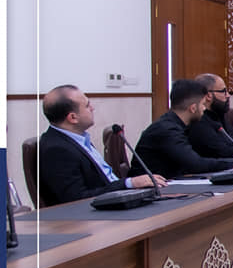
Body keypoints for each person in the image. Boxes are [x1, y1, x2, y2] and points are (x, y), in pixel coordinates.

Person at [37, 84, 167, 206]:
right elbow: (77, 199)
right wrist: (129, 184)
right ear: (73, 118)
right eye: (87, 106)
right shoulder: (56, 149)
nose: (92, 108)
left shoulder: (78, 139)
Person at [131, 79, 233, 179]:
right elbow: (195, 164)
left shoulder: (176, 124)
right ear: (193, 108)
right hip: (150, 189)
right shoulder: (167, 130)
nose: (204, 109)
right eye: (202, 104)